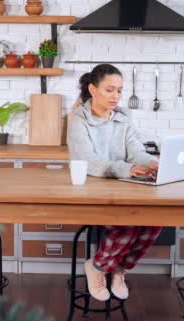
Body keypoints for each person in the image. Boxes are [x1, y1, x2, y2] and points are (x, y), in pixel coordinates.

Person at [67, 64, 163, 302]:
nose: (116, 96)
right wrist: (127, 169)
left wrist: (152, 163)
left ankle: (119, 268)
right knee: (128, 221)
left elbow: (136, 150)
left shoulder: (123, 116)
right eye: (110, 90)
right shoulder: (78, 119)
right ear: (93, 89)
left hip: (123, 186)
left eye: (119, 91)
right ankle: (97, 267)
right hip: (92, 190)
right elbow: (88, 161)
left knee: (156, 220)